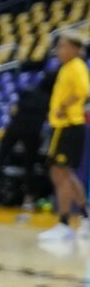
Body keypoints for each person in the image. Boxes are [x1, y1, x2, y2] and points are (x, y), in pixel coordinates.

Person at [39, 28, 88, 252]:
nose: (59, 50)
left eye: (63, 46)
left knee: (59, 173)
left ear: (76, 49)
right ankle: (86, 217)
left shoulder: (76, 67)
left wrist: (63, 106)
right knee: (65, 173)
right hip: (64, 127)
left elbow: (84, 92)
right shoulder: (68, 67)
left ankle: (64, 223)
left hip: (68, 126)